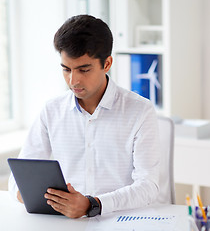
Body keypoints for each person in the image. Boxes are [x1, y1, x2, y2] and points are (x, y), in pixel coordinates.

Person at [8, 15, 160, 219]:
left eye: (84, 70)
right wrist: (42, 198)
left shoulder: (140, 111)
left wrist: (93, 204)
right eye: (66, 69)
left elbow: (148, 186)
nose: (73, 80)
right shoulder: (51, 110)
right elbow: (17, 179)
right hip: (66, 222)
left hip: (119, 221)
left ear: (107, 64)